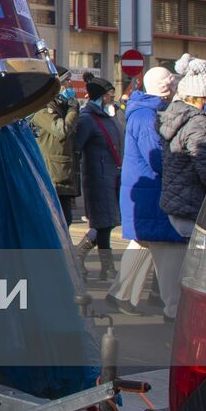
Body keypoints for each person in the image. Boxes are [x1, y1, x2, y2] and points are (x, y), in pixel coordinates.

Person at [107, 67, 185, 318]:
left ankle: (120, 293)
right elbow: (158, 159)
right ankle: (173, 307)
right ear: (167, 88)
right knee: (165, 248)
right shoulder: (147, 115)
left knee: (143, 242)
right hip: (151, 190)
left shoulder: (144, 112)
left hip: (145, 189)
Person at [159, 59, 206, 244]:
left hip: (181, 204)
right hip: (194, 206)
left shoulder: (178, 115)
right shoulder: (199, 123)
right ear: (203, 96)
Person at [72, 75, 123, 280]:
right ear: (101, 97)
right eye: (110, 95)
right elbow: (76, 148)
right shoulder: (87, 119)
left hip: (112, 175)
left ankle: (105, 267)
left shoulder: (109, 117)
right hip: (97, 177)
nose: (113, 98)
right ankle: (85, 257)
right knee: (103, 222)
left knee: (108, 222)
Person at [30, 72, 79, 225]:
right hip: (52, 176)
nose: (70, 85)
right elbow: (61, 130)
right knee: (58, 222)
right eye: (67, 81)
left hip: (63, 176)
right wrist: (73, 110)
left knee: (66, 220)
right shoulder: (42, 109)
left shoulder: (60, 107)